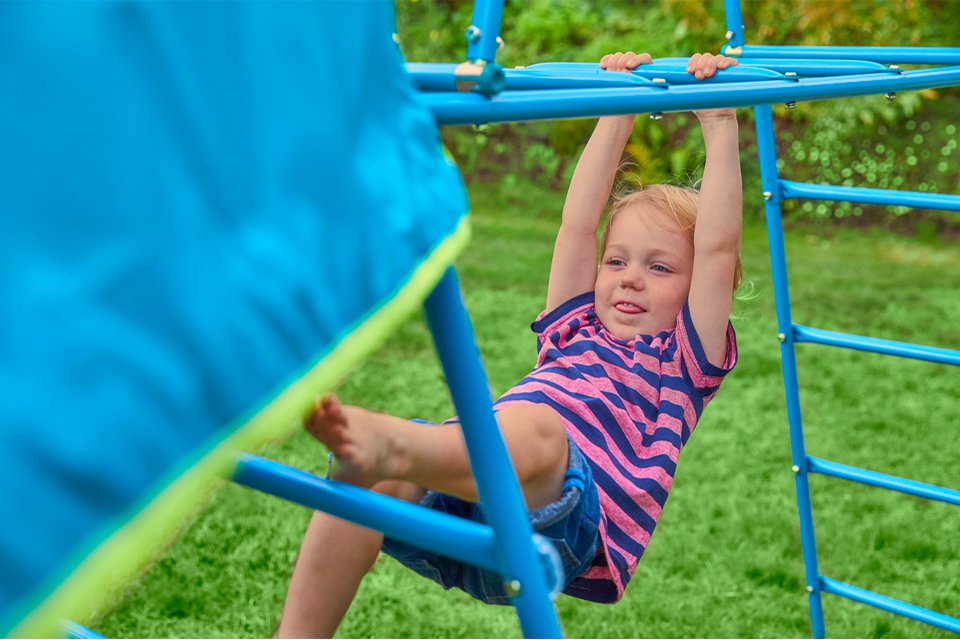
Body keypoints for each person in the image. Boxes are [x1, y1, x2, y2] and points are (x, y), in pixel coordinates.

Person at [278, 50, 743, 637]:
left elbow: (720, 249)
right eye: (618, 260)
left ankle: (398, 445)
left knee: (541, 428)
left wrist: (720, 124)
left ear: (696, 284)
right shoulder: (574, 327)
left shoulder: (681, 361)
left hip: (563, 524)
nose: (630, 277)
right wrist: (616, 110)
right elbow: (578, 224)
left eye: (660, 269)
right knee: (364, 482)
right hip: (468, 512)